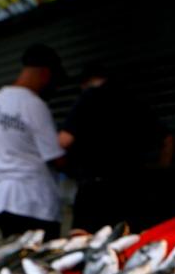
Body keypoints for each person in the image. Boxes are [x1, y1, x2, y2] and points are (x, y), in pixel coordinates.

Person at [0, 44, 66, 240]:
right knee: (40, 258)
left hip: (3, 201)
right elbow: (55, 157)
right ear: (45, 74)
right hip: (35, 204)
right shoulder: (34, 105)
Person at [58, 63, 142, 231]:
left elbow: (63, 141)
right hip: (131, 187)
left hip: (94, 190)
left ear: (85, 83)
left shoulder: (88, 98)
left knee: (85, 239)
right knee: (126, 238)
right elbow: (167, 140)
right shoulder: (131, 100)